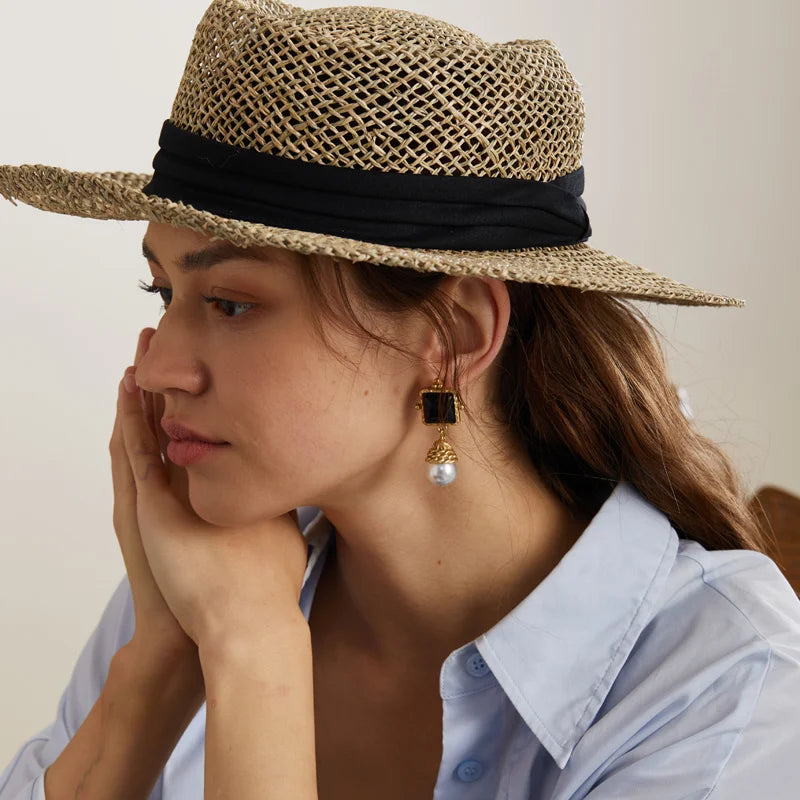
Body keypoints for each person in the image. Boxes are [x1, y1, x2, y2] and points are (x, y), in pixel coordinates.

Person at [1, 1, 799, 798]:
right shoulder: (211, 568)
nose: (156, 369)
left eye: (230, 302)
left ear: (452, 334)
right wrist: (162, 661)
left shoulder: (728, 696)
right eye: (162, 290)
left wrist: (255, 658)